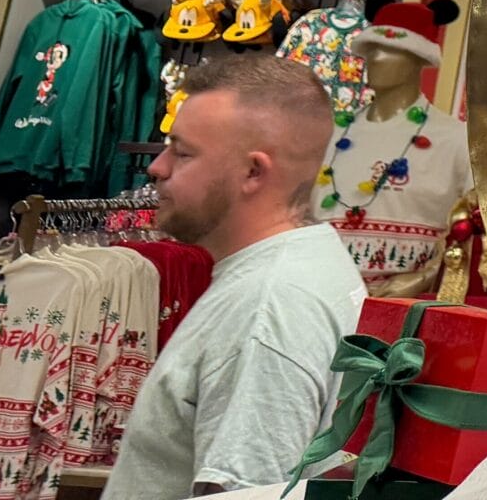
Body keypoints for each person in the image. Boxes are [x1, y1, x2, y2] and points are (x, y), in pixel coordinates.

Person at [105, 54, 367, 500]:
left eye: (182, 153)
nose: (158, 167)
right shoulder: (285, 274)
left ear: (252, 172)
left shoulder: (267, 310)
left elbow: (245, 491)